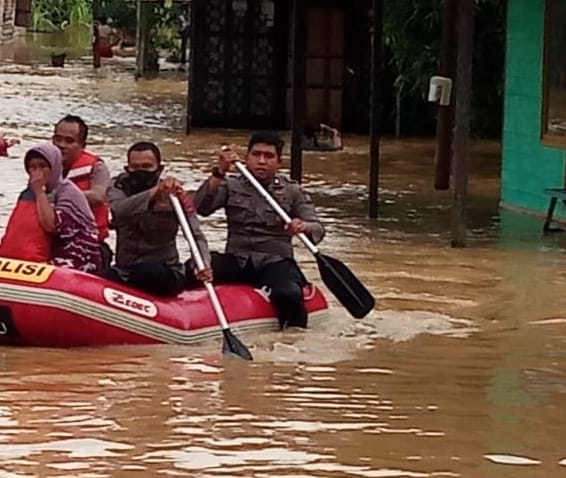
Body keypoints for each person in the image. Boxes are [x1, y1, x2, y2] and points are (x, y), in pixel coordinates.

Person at [190, 132, 325, 329]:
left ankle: (294, 338)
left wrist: (303, 227)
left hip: (274, 262)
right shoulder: (230, 184)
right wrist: (218, 173)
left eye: (268, 156)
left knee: (287, 294)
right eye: (256, 155)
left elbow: (318, 228)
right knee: (190, 269)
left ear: (279, 162)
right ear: (246, 158)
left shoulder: (292, 191)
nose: (261, 161)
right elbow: (201, 208)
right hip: (237, 259)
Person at [101, 141, 212, 297]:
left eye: (146, 167)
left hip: (164, 270)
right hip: (125, 270)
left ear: (159, 169)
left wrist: (203, 263)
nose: (140, 172)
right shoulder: (117, 187)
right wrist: (154, 192)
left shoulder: (176, 195)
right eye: (135, 167)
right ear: (127, 169)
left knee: (148, 271)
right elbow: (119, 211)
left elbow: (195, 234)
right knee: (101, 278)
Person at [0, 143, 101, 272]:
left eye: (43, 166)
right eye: (32, 167)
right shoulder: (27, 194)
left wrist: (40, 193)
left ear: (54, 167)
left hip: (74, 254)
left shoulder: (68, 192)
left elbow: (51, 226)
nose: (37, 172)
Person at [52, 115, 112, 267]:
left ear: (82, 145)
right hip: (51, 240)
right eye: (57, 139)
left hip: (89, 245)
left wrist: (59, 197)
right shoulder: (44, 166)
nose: (61, 145)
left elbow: (98, 196)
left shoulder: (96, 167)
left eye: (69, 141)